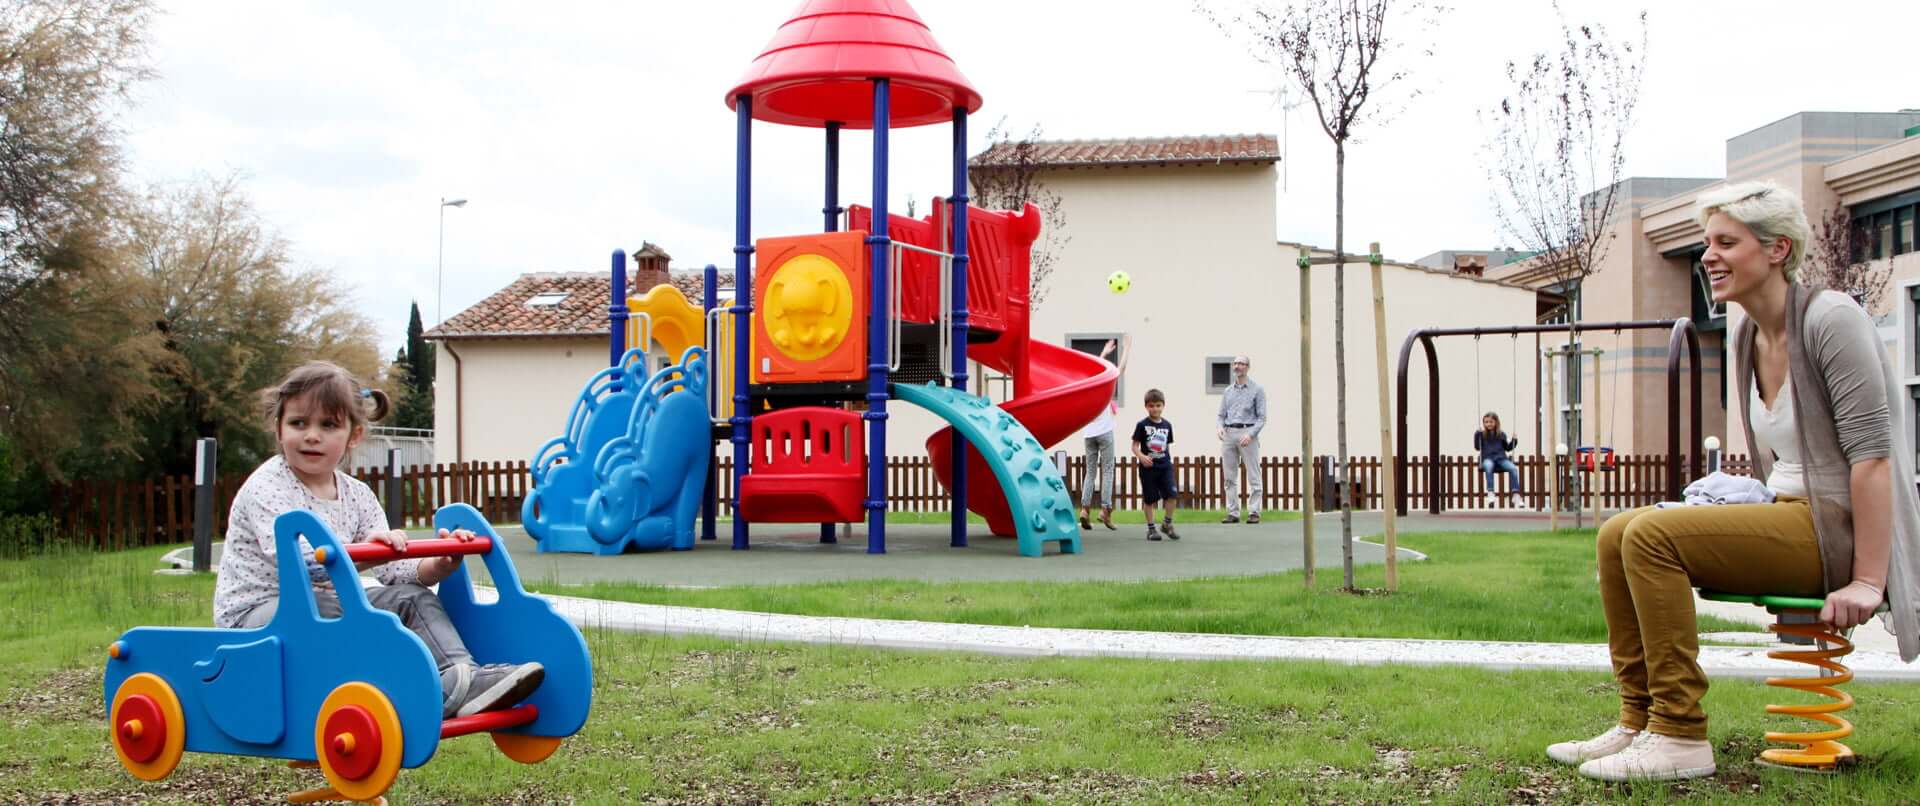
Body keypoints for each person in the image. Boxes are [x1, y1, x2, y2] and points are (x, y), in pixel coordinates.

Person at [1548, 182, 1919, 782]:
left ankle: (1679, 734)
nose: (1708, 256)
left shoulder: (1832, 320)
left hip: (1836, 532)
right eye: (1706, 243)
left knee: (1650, 538)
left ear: (1777, 249)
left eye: (1726, 242)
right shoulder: (1746, 332)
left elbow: (1873, 459)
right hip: (1788, 515)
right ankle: (1637, 721)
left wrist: (1869, 581)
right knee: (1618, 531)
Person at [213, 361, 547, 718]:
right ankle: (381, 692)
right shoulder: (268, 486)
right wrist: (371, 555)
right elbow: (302, 563)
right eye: (298, 423)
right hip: (256, 612)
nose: (312, 435)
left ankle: (459, 679)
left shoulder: (357, 495)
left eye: (328, 425)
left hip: (326, 604)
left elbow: (397, 572)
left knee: (410, 598)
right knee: (327, 610)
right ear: (279, 429)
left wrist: (438, 564)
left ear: (353, 435)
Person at [1079, 336, 1131, 531]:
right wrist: (1127, 349)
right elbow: (1121, 369)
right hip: (1105, 431)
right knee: (1108, 470)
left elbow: (1097, 369)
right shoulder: (1107, 385)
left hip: (1088, 432)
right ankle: (1105, 511)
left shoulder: (1089, 383)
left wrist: (1103, 353)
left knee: (1090, 471)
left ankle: (1084, 510)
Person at [1216, 355, 1267, 523]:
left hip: (1248, 433)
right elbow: (1221, 415)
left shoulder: (1257, 389)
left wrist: (1250, 434)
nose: (1238, 366)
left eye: (1241, 363)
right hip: (1229, 434)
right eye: (1236, 363)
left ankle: (1254, 512)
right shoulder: (1227, 391)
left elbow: (1261, 417)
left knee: (1253, 475)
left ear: (1248, 367)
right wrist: (1220, 427)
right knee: (1229, 477)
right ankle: (1233, 512)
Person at [1131, 388, 1179, 541]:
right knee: (1150, 499)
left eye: (1158, 405)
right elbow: (1134, 446)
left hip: (1165, 466)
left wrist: (1165, 460)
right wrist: (1141, 456)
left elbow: (1166, 445)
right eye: (1151, 406)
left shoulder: (1167, 425)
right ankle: (1151, 529)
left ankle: (1167, 524)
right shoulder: (1142, 425)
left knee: (1172, 495)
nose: (1155, 409)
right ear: (1146, 406)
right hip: (1148, 469)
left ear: (1163, 406)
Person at [1474, 412, 1526, 508]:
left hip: (1501, 458)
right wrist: (1477, 434)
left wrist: (1514, 441)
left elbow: (1508, 448)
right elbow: (1477, 447)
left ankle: (1516, 495)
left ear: (1496, 422)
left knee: (1513, 468)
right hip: (1488, 458)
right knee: (1488, 466)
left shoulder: (1501, 434)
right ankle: (1491, 492)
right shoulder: (1481, 434)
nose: (1488, 424)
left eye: (1491, 422)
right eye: (1486, 422)